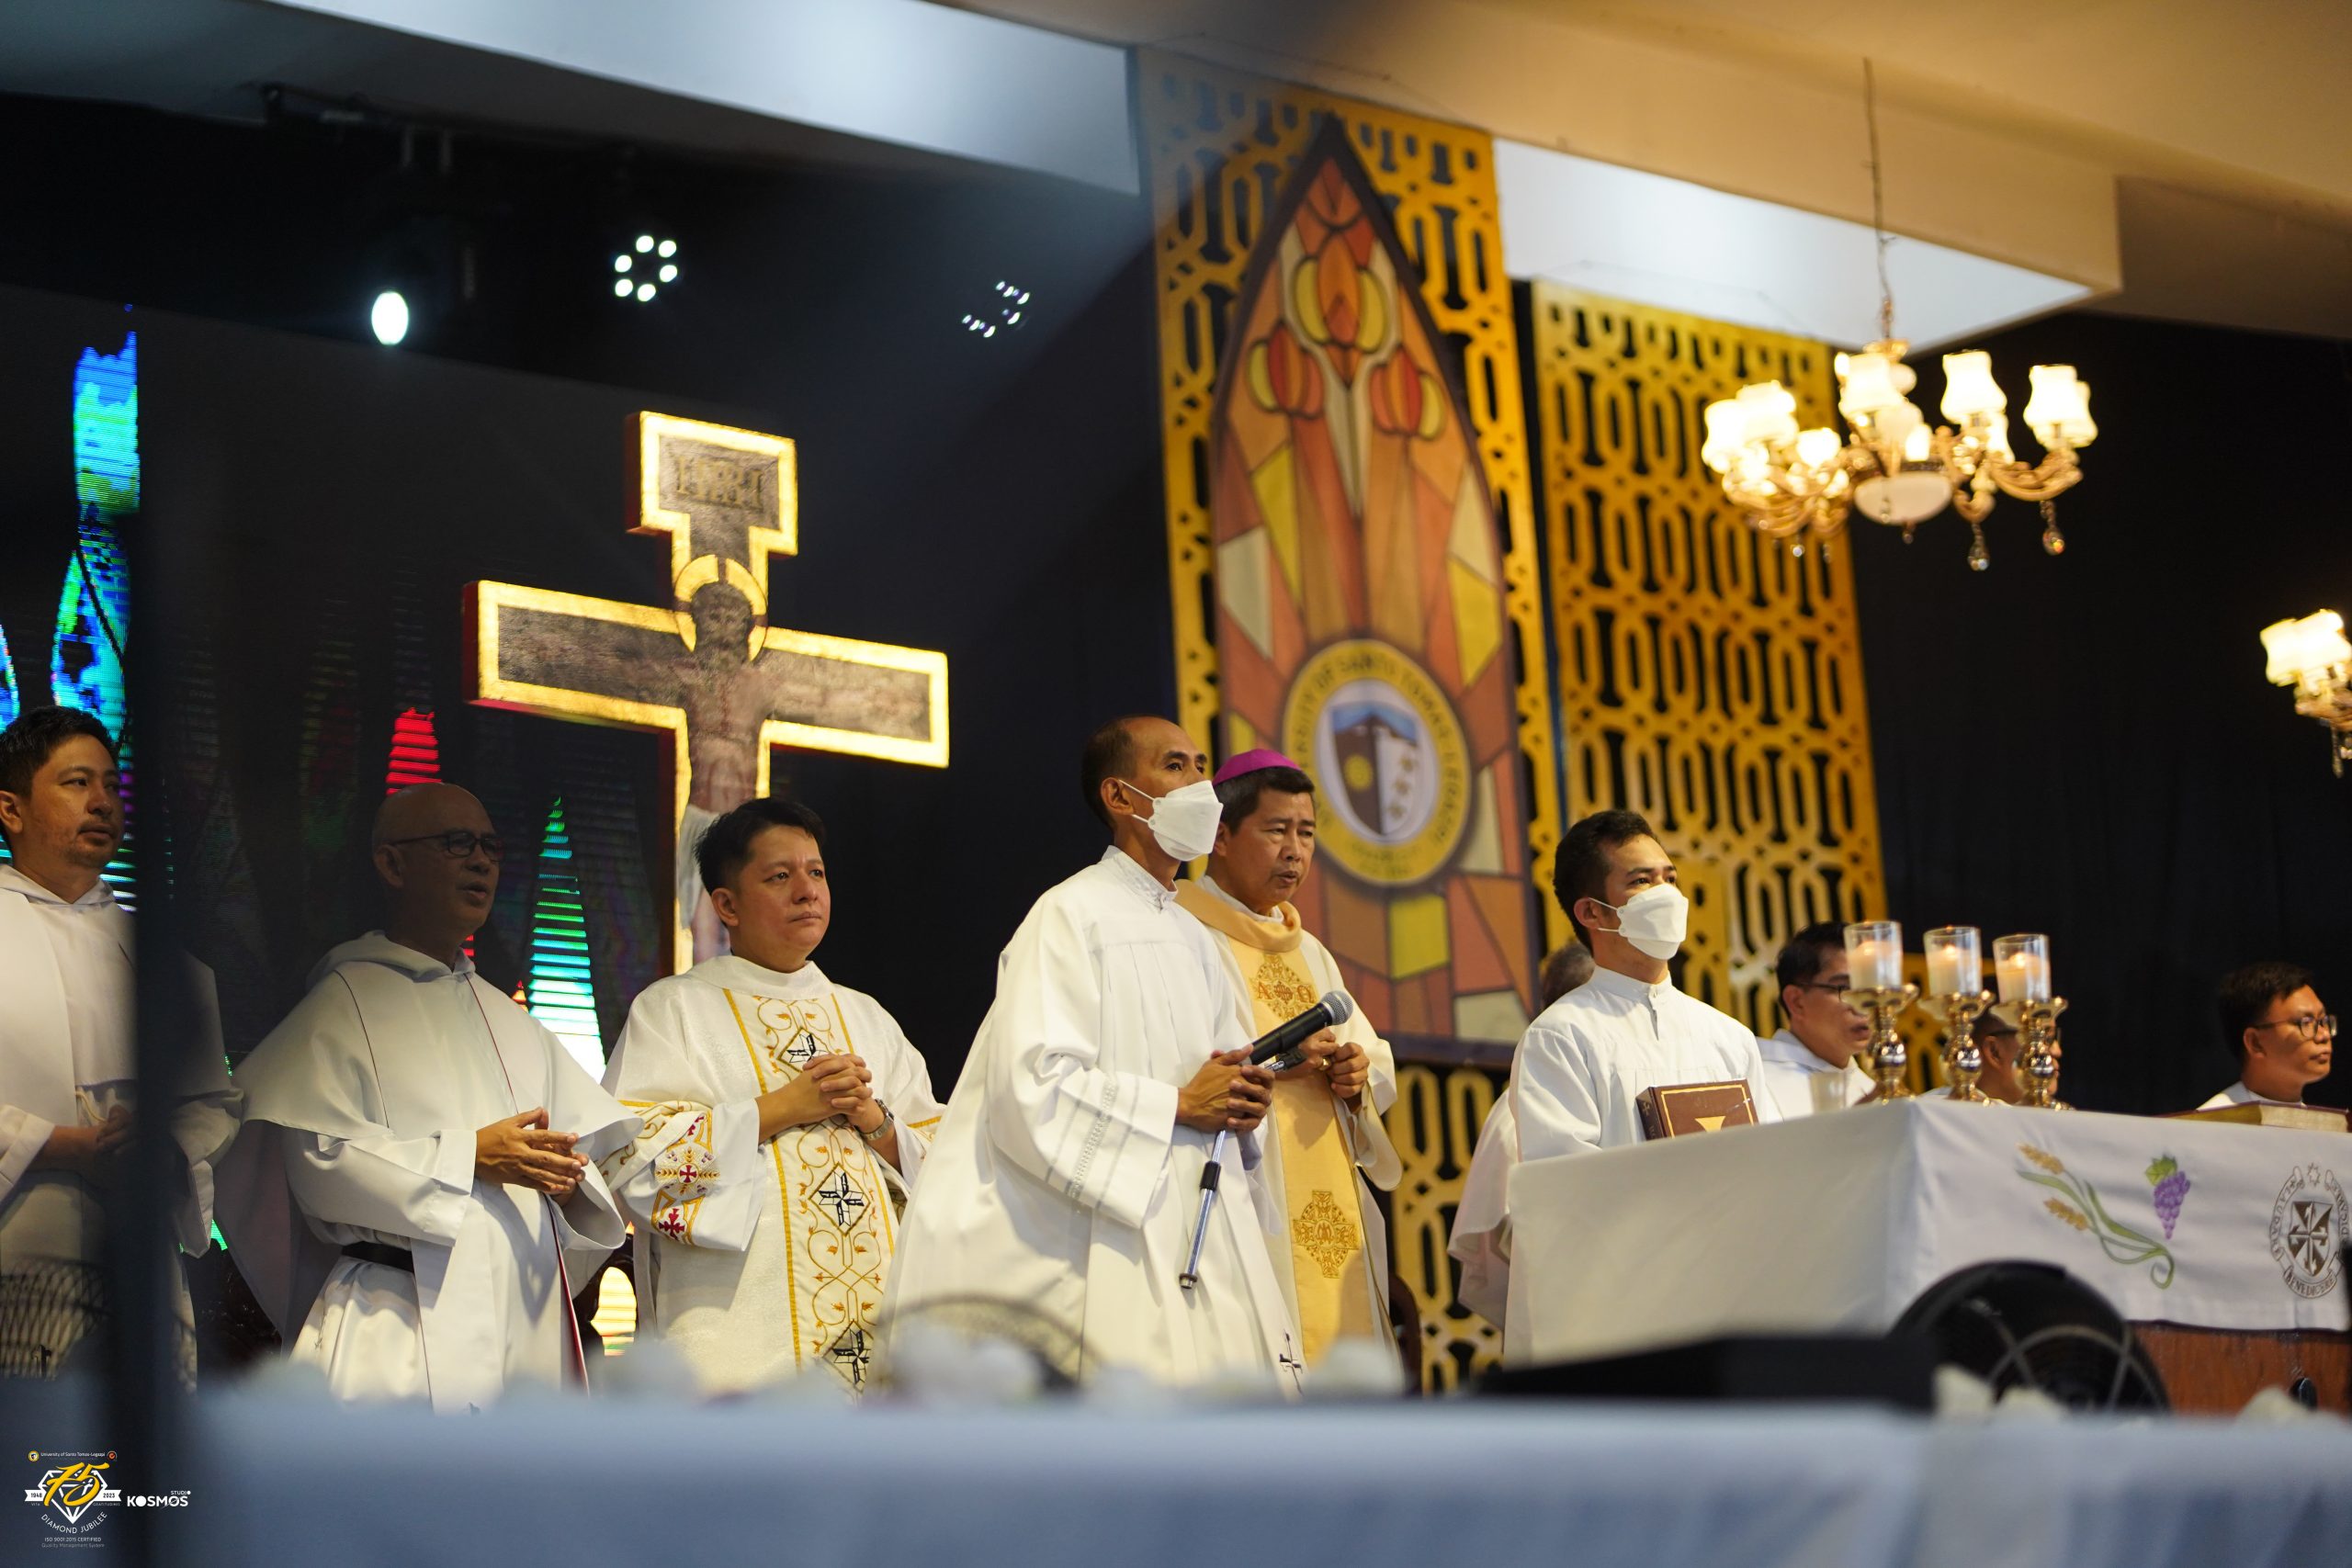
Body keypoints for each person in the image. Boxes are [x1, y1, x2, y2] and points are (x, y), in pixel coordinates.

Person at [888, 717, 1300, 1388]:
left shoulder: (1195, 938)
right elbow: (1034, 1086)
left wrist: (1243, 1103)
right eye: (1175, 766)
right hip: (1115, 1229)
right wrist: (1175, 1104)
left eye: (1201, 766)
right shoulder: (1069, 915)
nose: (1200, 785)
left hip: (1201, 1217)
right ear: (1120, 795)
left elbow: (1223, 1074)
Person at [218, 784, 634, 1411]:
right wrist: (470, 1156)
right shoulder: (344, 1003)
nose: (481, 860)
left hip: (522, 1319)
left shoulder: (511, 1019)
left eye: (490, 846)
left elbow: (587, 1169)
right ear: (392, 864)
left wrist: (568, 1179)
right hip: (397, 1318)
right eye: (457, 843)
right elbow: (322, 1162)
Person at [598, 797, 944, 1394]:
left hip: (880, 1333)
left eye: (816, 872)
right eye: (780, 876)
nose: (807, 891)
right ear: (726, 904)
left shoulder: (867, 1017)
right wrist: (783, 1107)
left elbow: (949, 1165)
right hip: (737, 1338)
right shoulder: (675, 1010)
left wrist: (876, 1121)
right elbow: (631, 1163)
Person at [0, 706, 238, 1382]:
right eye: (77, 782)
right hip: (15, 1248)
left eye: (111, 784)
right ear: (11, 809)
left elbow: (214, 1104)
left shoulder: (164, 960)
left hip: (139, 1260)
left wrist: (163, 1144)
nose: (103, 801)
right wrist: (56, 1144)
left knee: (134, 1443)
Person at [1175, 749, 1399, 1370]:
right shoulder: (1185, 933)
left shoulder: (1312, 953)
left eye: (1306, 833)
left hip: (1326, 1180)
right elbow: (1181, 1064)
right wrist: (1278, 1065)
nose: (1295, 851)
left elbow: (1372, 1056)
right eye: (1277, 830)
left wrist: (1356, 1076)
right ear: (1221, 836)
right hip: (1242, 1181)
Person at [1510, 809, 1777, 1160]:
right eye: (1641, 881)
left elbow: (1771, 1157)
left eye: (1670, 878)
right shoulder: (1561, 1038)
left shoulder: (1729, 1037)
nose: (1666, 894)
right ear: (1591, 912)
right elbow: (1566, 1179)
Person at [1753, 922, 1874, 1118]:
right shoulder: (1757, 1083)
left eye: (1869, 989)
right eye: (1846, 989)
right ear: (1797, 1002)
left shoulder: (1871, 1088)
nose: (1864, 1006)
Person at [2201, 962, 2334, 1110]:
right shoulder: (2211, 1120)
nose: (2324, 1034)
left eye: (2323, 1020)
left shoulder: (2327, 1122)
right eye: (2305, 1022)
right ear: (2255, 1042)